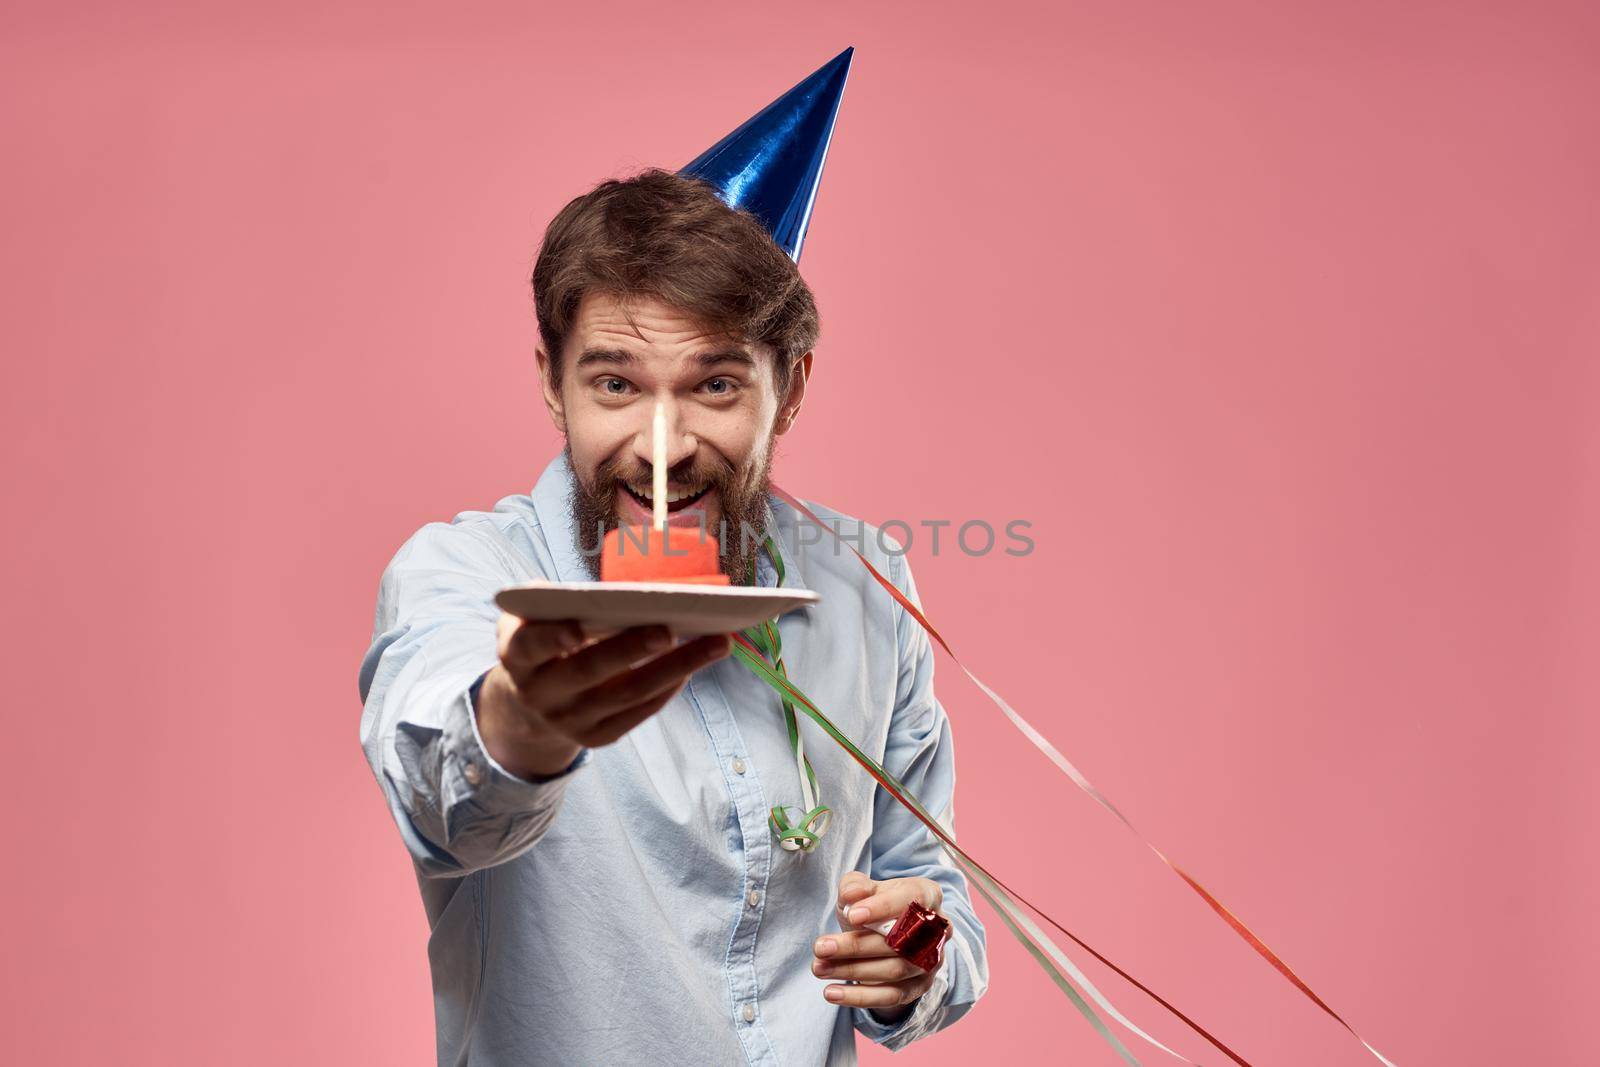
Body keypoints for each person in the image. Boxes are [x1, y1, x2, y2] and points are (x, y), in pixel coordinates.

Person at [358, 53, 989, 1067]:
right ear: (553, 385)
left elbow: (931, 890)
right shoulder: (464, 571)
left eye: (713, 385)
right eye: (614, 382)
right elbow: (441, 789)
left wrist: (916, 955)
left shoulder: (866, 582)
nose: (659, 445)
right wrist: (522, 726)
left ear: (789, 390)